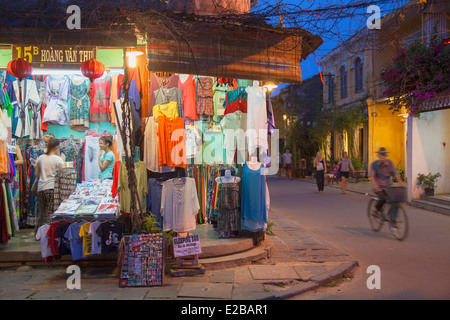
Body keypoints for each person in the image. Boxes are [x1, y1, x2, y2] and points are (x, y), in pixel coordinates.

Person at [369, 147, 405, 232]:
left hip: (388, 186)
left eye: (384, 154)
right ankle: (376, 209)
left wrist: (400, 183)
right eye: (381, 154)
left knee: (395, 202)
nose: (383, 156)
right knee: (382, 198)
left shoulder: (390, 163)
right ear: (379, 155)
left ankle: (393, 221)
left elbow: (395, 174)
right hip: (379, 187)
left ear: (386, 155)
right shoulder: (374, 164)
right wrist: (375, 184)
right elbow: (372, 176)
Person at [34, 137, 64, 233]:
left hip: (41, 187)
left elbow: (36, 174)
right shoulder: (58, 159)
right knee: (51, 212)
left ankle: (38, 233)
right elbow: (62, 174)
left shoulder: (41, 158)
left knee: (42, 212)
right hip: (51, 188)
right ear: (57, 147)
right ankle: (49, 234)